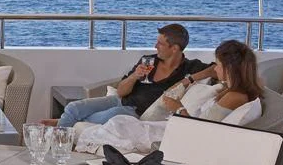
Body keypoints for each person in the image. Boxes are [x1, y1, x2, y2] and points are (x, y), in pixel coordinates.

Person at [51, 24, 214, 127]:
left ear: (175, 48)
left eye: (160, 43)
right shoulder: (148, 60)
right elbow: (121, 92)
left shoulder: (190, 67)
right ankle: (57, 140)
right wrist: (134, 76)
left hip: (135, 112)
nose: (155, 46)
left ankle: (61, 129)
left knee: (104, 117)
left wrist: (190, 78)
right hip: (120, 100)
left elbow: (216, 68)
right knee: (73, 107)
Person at [161, 39, 262, 120]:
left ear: (229, 69)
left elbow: (201, 130)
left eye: (218, 65)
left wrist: (179, 109)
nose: (215, 69)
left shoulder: (234, 97)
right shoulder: (231, 89)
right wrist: (190, 79)